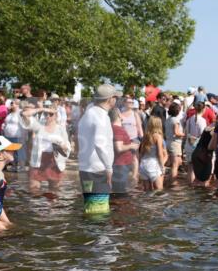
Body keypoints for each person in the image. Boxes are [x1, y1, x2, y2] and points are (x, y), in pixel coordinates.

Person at [77, 84, 120, 214]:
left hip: (85, 169)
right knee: (99, 211)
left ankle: (89, 232)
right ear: (110, 99)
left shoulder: (88, 113)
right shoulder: (101, 117)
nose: (116, 100)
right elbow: (100, 144)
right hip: (98, 170)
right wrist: (109, 168)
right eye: (115, 97)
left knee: (90, 207)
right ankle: (97, 233)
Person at [20, 101, 71, 193]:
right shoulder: (39, 126)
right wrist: (42, 109)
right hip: (38, 160)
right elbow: (24, 114)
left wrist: (62, 146)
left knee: (54, 192)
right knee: (34, 189)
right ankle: (37, 207)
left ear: (56, 116)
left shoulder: (61, 129)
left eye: (51, 114)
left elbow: (67, 146)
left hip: (55, 161)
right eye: (46, 114)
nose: (47, 116)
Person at [0, 136, 22, 232]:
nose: (14, 151)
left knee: (10, 227)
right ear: (0, 154)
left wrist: (6, 221)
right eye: (10, 149)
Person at [109, 108, 137, 195]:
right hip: (120, 166)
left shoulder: (114, 128)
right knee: (120, 194)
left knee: (119, 193)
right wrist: (132, 145)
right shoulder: (117, 129)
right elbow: (119, 148)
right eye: (120, 113)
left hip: (120, 166)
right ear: (118, 115)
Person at [137, 117, 168, 191]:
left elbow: (141, 153)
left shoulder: (145, 136)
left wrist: (139, 165)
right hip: (153, 165)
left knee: (147, 190)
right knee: (159, 190)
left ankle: (147, 202)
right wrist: (162, 167)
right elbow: (160, 153)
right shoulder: (158, 136)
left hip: (143, 165)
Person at [165, 102, 185, 181]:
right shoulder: (176, 120)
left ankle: (169, 178)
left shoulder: (168, 119)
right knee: (175, 165)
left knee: (178, 162)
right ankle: (172, 183)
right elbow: (176, 132)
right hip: (175, 143)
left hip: (168, 142)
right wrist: (184, 134)